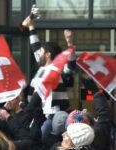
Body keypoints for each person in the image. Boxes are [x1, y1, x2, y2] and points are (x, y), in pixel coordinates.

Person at [22, 5, 76, 142]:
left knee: (43, 141)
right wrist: (31, 27)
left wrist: (70, 43)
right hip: (41, 115)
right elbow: (35, 46)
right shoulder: (42, 69)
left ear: (47, 55)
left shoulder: (57, 70)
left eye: (41, 52)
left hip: (55, 117)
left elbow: (71, 66)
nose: (38, 53)